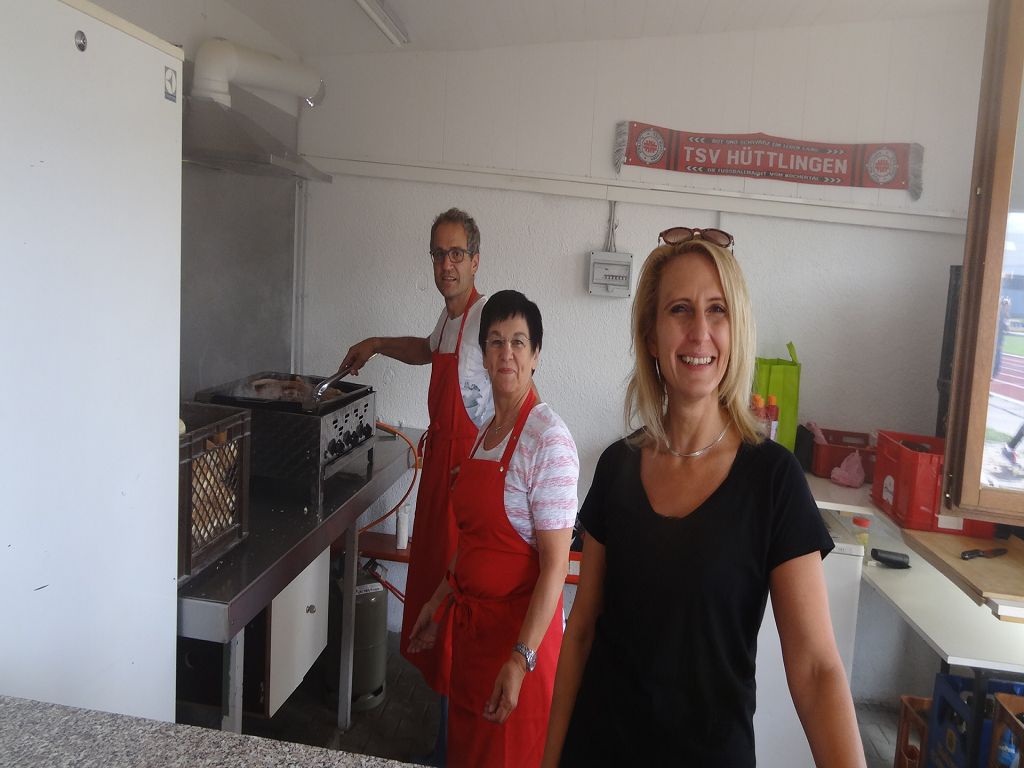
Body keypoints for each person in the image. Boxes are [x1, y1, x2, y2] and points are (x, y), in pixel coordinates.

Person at [542, 227, 865, 767]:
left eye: (717, 310)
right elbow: (581, 633)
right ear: (651, 336)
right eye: (679, 310)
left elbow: (816, 670)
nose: (699, 332)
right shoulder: (617, 467)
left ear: (737, 331)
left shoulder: (772, 479)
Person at [339, 208, 493, 742]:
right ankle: (442, 730)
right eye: (438, 254)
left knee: (454, 598)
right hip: (440, 475)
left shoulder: (484, 320)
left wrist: (484, 470)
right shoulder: (448, 321)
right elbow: (426, 351)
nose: (446, 264)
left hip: (464, 478)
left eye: (456, 254)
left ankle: (452, 742)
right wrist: (377, 344)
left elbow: (515, 392)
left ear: (475, 260)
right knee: (435, 593)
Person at [408, 290, 578, 768]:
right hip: (473, 646)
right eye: (496, 341)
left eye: (519, 342)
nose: (507, 353)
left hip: (517, 653)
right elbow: (474, 541)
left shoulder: (549, 440)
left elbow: (555, 567)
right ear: (482, 355)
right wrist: (437, 601)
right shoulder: (485, 434)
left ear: (536, 354)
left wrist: (520, 660)